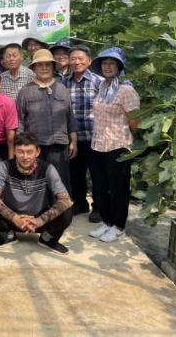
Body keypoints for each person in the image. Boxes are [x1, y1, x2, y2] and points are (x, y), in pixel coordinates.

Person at [0, 132, 73, 254]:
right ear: (14, 151)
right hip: (13, 220)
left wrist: (40, 220)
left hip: (38, 221)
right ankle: (8, 236)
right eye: (20, 152)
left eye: (29, 152)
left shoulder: (48, 169)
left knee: (67, 212)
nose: (25, 156)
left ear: (37, 152)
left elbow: (65, 200)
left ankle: (47, 239)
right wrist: (14, 217)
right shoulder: (4, 166)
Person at [88, 47, 140, 243]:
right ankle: (107, 222)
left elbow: (135, 122)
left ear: (119, 66)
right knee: (100, 187)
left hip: (118, 146)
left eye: (111, 63)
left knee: (118, 189)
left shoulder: (126, 90)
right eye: (104, 63)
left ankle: (118, 226)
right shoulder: (103, 86)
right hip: (98, 144)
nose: (107, 66)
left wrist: (122, 134)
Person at [16, 49, 77, 192]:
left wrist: (73, 141)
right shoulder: (25, 91)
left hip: (59, 144)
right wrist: (21, 145)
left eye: (48, 64)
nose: (44, 68)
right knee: (36, 182)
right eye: (40, 65)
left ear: (53, 67)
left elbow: (70, 117)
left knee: (60, 182)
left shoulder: (62, 89)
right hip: (35, 145)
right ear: (34, 68)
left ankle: (61, 206)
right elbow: (19, 119)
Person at [63, 45, 104, 223]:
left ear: (89, 61)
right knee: (76, 173)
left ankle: (99, 207)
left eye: (80, 58)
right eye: (73, 59)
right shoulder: (64, 82)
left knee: (97, 174)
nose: (77, 62)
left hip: (95, 136)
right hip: (73, 137)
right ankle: (80, 203)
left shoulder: (98, 81)